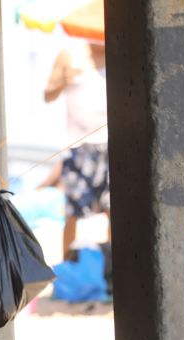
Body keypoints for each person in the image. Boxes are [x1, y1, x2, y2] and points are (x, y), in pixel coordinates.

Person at [42, 40, 110, 256]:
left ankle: (112, 269)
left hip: (111, 143)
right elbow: (48, 95)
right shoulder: (70, 55)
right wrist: (63, 80)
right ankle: (66, 270)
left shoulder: (120, 50)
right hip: (78, 146)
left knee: (115, 210)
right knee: (72, 213)